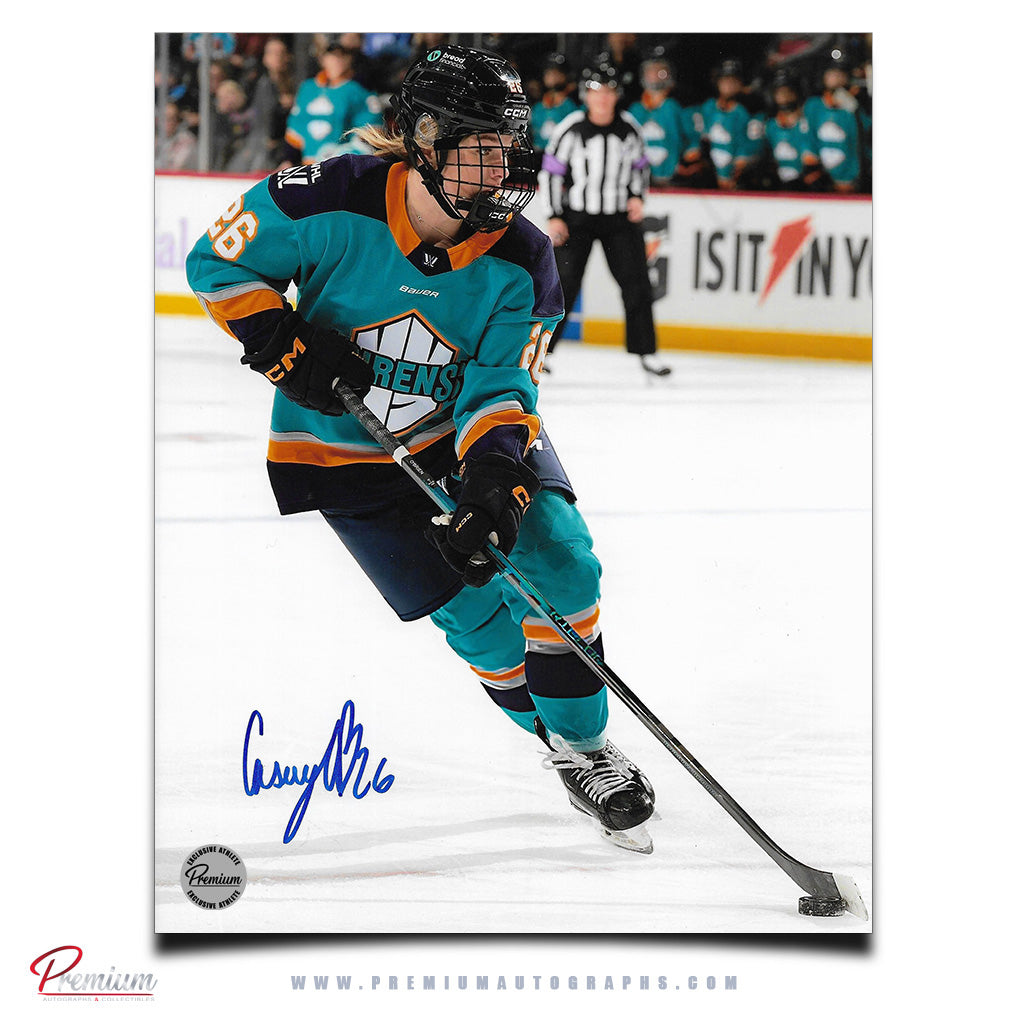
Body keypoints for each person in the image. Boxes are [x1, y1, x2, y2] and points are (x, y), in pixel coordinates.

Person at [185, 44, 657, 854]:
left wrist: (493, 480)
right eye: (482, 145)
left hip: (463, 440)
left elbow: (502, 387)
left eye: (509, 144)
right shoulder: (328, 196)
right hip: (341, 454)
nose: (503, 165)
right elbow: (218, 262)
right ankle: (553, 739)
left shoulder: (523, 257)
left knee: (561, 562)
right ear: (426, 139)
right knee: (473, 617)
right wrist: (281, 344)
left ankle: (586, 747)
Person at [537, 55, 671, 376]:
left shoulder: (629, 128)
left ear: (616, 95)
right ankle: (541, 353)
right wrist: (554, 215)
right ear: (586, 94)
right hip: (577, 219)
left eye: (609, 91)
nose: (603, 98)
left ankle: (646, 352)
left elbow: (641, 167)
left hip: (618, 220)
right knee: (562, 285)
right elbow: (551, 172)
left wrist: (638, 197)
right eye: (597, 91)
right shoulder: (571, 128)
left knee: (637, 284)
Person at [283, 42, 383, 165]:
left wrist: (346, 157)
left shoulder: (359, 90)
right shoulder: (307, 89)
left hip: (341, 166)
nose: (336, 60)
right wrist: (289, 160)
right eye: (332, 56)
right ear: (322, 59)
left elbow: (370, 130)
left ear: (349, 60)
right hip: (309, 166)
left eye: (341, 56)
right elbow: (296, 126)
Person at [627, 47, 699, 186]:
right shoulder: (635, 108)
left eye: (660, 70)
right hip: (640, 180)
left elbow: (693, 140)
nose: (655, 75)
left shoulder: (679, 105)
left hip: (674, 179)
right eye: (651, 70)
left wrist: (685, 164)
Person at [803, 49, 871, 192]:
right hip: (825, 181)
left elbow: (866, 140)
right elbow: (808, 140)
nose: (837, 78)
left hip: (857, 181)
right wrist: (814, 172)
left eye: (841, 74)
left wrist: (857, 109)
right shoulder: (813, 105)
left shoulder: (857, 106)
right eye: (832, 73)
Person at [694, 58, 765, 190]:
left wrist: (737, 172)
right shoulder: (708, 107)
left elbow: (754, 147)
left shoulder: (751, 110)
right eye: (725, 80)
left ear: (741, 83)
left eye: (733, 81)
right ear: (718, 82)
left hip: (741, 179)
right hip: (713, 176)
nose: (729, 85)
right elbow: (703, 141)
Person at [761, 69, 825, 190]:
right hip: (781, 186)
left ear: (797, 93)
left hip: (808, 187)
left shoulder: (809, 122)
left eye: (788, 92)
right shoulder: (770, 126)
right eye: (779, 93)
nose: (784, 97)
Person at [529, 53, 579, 151]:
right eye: (548, 72)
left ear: (565, 75)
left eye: (557, 72)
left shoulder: (573, 106)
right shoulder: (537, 107)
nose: (552, 76)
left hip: (563, 153)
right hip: (537, 154)